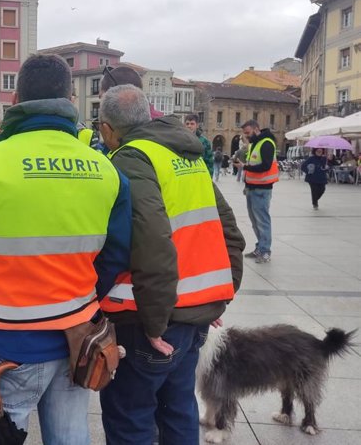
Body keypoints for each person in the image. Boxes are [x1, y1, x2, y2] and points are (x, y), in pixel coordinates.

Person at [0, 54, 132, 445]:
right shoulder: (106, 169)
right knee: (71, 436)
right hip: (79, 336)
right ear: (70, 103)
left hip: (8, 340)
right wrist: (81, 300)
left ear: (15, 101)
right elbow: (118, 254)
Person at [96, 84, 244, 445]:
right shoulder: (186, 154)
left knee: (130, 418)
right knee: (178, 411)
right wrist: (218, 297)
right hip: (192, 315)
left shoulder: (131, 158)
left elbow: (151, 242)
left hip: (148, 316)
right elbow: (230, 232)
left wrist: (155, 322)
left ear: (106, 129)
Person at [234, 119, 278, 264]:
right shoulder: (255, 143)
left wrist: (245, 167)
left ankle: (265, 251)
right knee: (255, 221)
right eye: (244, 134)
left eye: (248, 133)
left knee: (262, 221)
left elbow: (264, 166)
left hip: (262, 189)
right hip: (252, 187)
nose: (246, 136)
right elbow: (253, 163)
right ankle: (260, 247)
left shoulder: (266, 143)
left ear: (256, 129)